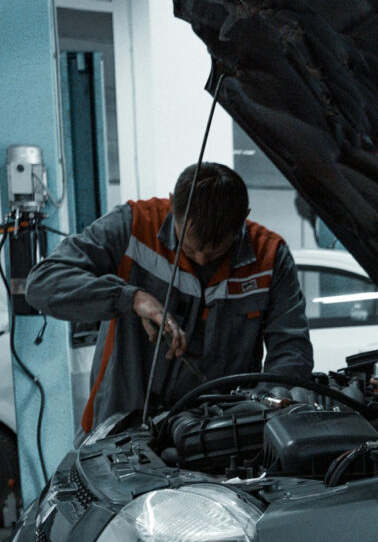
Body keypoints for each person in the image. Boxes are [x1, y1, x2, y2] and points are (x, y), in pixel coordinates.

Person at [25, 162, 314, 432]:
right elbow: (43, 282)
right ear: (173, 204)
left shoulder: (269, 257)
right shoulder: (134, 227)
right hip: (122, 430)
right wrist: (131, 298)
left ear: (244, 217)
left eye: (216, 250)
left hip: (222, 434)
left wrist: (271, 401)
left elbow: (290, 347)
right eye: (190, 247)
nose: (201, 259)